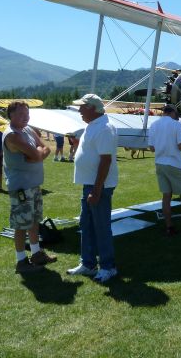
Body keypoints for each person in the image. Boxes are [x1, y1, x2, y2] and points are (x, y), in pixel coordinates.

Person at [67, 94, 119, 283]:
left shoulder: (104, 128)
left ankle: (108, 266)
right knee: (87, 224)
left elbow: (106, 161)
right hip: (90, 184)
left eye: (82, 107)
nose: (79, 110)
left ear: (92, 108)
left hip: (99, 186)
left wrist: (96, 191)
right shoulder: (94, 125)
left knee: (101, 226)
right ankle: (88, 263)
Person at [3, 101, 55, 274]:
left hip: (33, 184)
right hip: (21, 187)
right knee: (21, 224)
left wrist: (38, 155)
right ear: (11, 115)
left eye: (27, 114)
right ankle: (21, 262)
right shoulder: (12, 135)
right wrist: (38, 154)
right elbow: (38, 152)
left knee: (33, 221)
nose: (25, 118)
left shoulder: (27, 130)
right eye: (21, 115)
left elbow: (47, 148)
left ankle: (36, 254)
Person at [149, 104, 181, 237]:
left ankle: (169, 227)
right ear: (172, 112)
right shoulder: (176, 125)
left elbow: (152, 148)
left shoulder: (154, 125)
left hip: (160, 164)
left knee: (166, 196)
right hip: (174, 164)